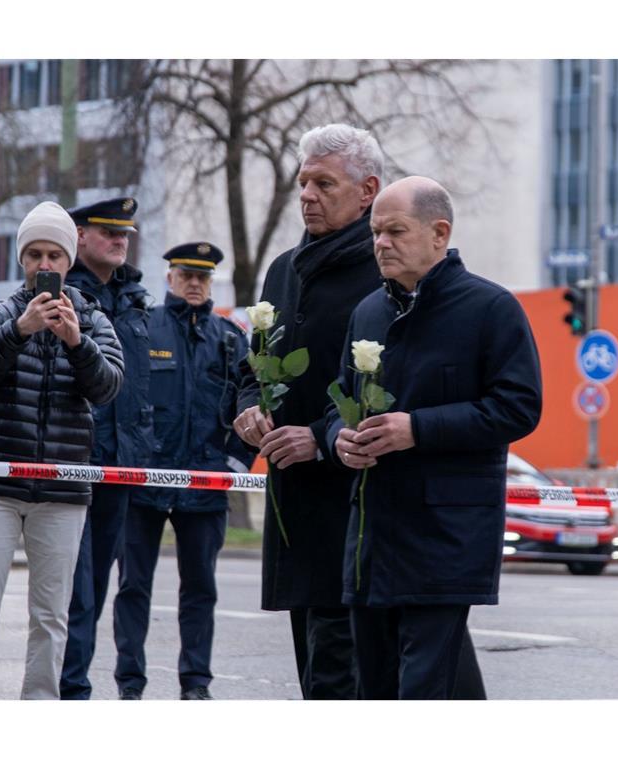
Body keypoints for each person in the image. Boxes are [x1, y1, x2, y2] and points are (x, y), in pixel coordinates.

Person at [329, 176, 543, 699]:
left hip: (446, 538)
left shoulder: (491, 309)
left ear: (438, 233)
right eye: (376, 232)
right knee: (375, 692)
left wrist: (416, 428)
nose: (381, 243)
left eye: (395, 231)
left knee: (423, 691)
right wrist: (340, 438)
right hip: (372, 538)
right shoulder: (368, 312)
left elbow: (519, 407)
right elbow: (340, 396)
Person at [0, 201, 123, 699]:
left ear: (69, 260)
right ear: (21, 260)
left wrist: (76, 342)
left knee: (51, 614)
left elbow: (107, 388)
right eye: (34, 255)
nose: (45, 266)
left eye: (55, 255)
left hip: (63, 491)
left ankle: (38, 715)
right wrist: (19, 330)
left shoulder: (94, 319)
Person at [232, 123, 385, 699]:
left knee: (342, 669)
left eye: (324, 183)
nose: (307, 196)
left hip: (354, 501)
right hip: (293, 500)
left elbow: (390, 386)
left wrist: (320, 438)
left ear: (367, 190)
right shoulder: (282, 269)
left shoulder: (383, 272)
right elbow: (253, 367)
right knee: (313, 663)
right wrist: (249, 410)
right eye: (303, 183)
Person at [111, 242, 254, 700]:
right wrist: (130, 461)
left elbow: (250, 406)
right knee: (133, 586)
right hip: (144, 483)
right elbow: (122, 401)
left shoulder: (231, 340)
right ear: (170, 277)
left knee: (200, 590)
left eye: (203, 277)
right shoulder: (142, 329)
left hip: (205, 486)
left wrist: (232, 466)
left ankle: (196, 684)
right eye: (186, 275)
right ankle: (129, 683)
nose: (195, 284)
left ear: (211, 282)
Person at [60, 196, 153, 699]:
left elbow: (139, 388)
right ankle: (70, 693)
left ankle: (74, 686)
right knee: (74, 593)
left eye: (125, 232)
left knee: (94, 592)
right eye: (108, 231)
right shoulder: (62, 296)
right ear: (79, 237)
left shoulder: (134, 299)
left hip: (119, 465)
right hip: (74, 461)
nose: (121, 239)